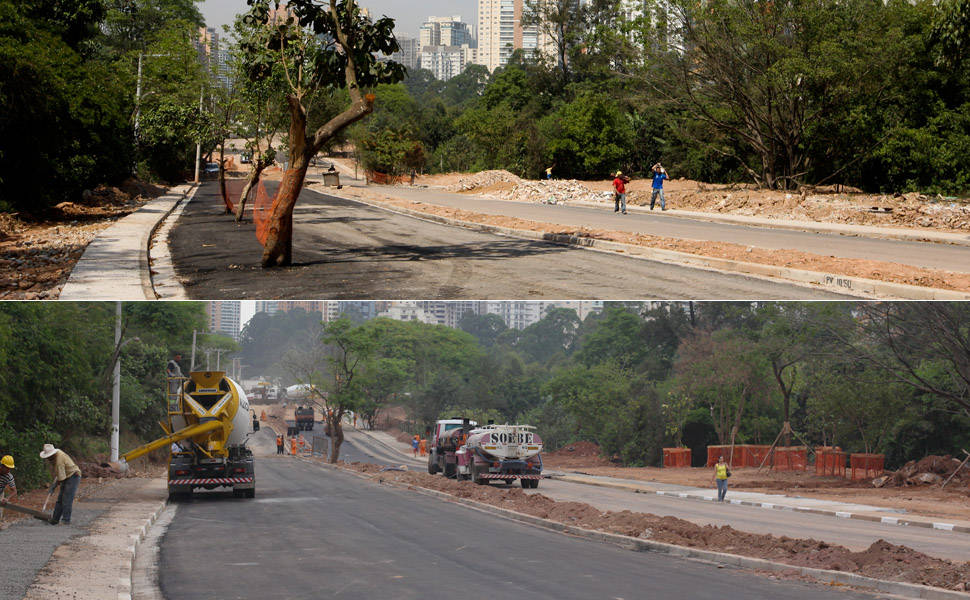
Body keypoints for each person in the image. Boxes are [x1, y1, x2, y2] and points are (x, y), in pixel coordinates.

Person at [40, 444, 81, 525]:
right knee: (60, 499)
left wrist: (54, 486)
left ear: (52, 455)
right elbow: (59, 474)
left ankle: (66, 520)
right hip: (66, 475)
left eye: (48, 457)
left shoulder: (59, 460)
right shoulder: (56, 455)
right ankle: (55, 519)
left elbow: (61, 478)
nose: (47, 459)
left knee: (66, 499)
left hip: (73, 476)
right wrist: (54, 485)